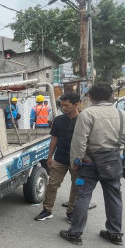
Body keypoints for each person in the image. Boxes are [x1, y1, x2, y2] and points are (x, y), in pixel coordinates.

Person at [60, 83, 125, 245]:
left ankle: (75, 234)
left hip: (88, 164)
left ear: (91, 97)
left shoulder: (87, 114)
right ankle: (115, 233)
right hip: (113, 163)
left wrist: (75, 162)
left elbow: (79, 141)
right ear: (110, 97)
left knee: (83, 197)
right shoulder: (124, 116)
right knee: (114, 197)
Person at [34, 92, 81, 223]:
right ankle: (47, 210)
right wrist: (50, 157)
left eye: (66, 105)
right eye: (62, 105)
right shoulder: (59, 120)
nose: (63, 108)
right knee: (52, 185)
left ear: (76, 104)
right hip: (60, 158)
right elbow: (54, 138)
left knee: (76, 186)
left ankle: (71, 211)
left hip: (77, 160)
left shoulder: (84, 120)